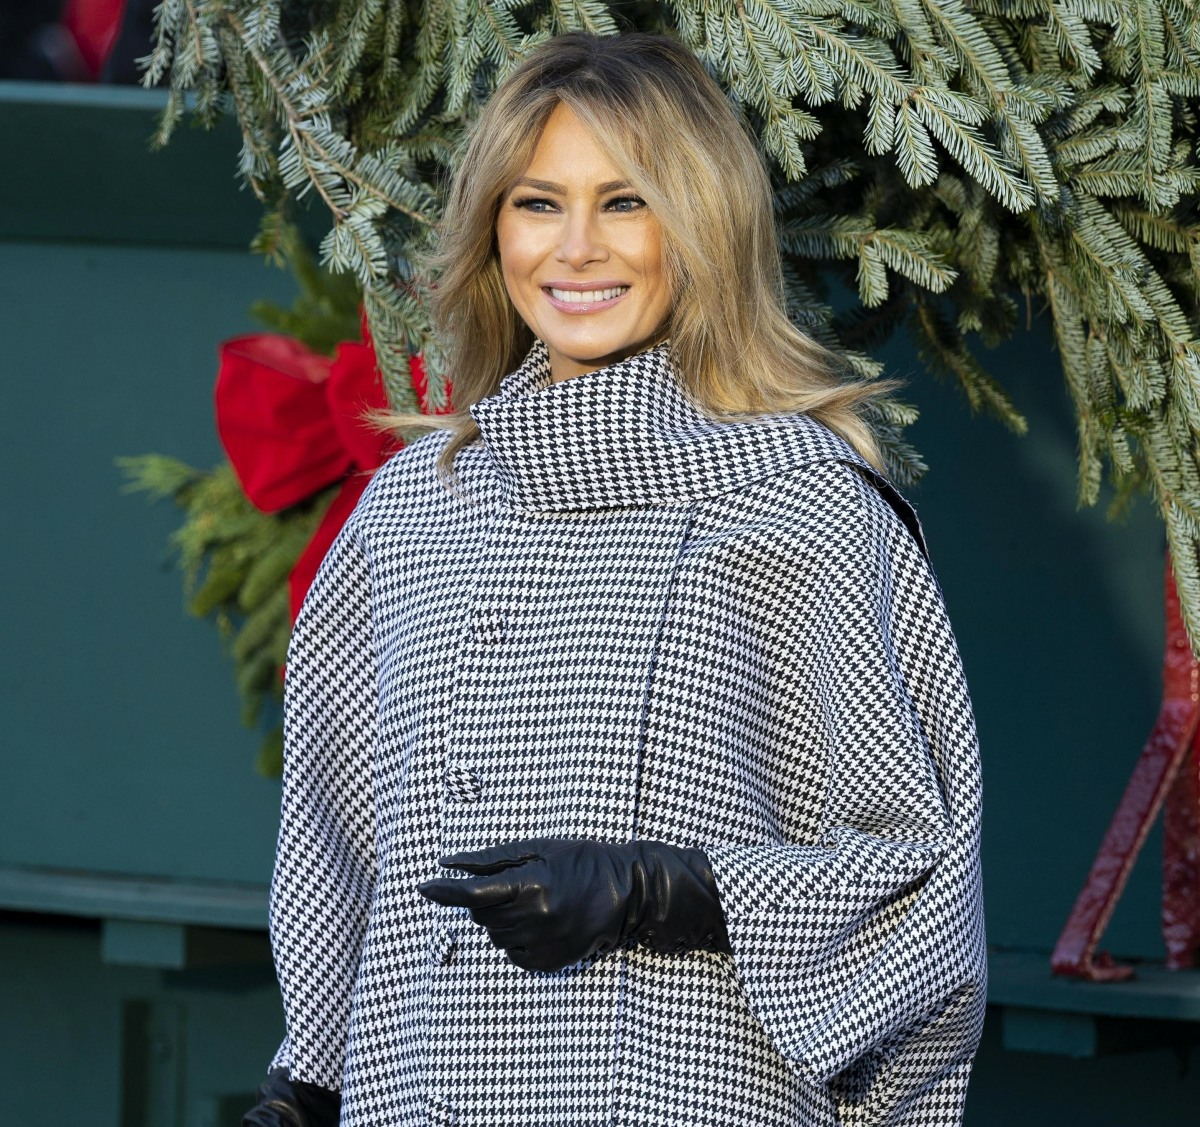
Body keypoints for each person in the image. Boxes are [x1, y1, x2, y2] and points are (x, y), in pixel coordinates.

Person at [246, 31, 986, 1127]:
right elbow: (334, 829)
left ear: (702, 226)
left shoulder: (804, 505)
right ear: (493, 229)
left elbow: (921, 877)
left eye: (627, 202)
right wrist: (307, 1079)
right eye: (539, 202)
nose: (576, 248)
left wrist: (664, 889)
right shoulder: (411, 508)